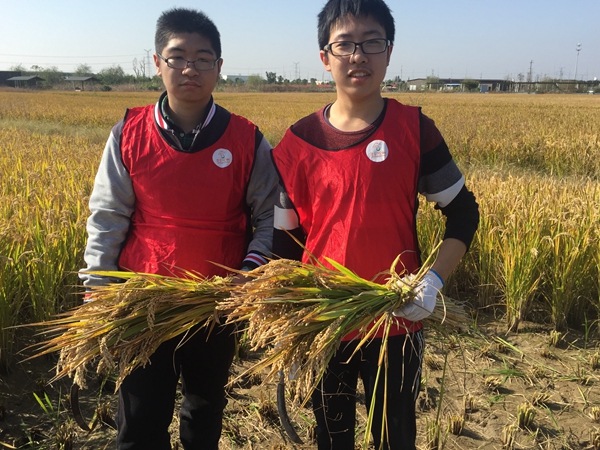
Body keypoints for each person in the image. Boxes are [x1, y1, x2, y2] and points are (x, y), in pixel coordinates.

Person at [270, 0, 479, 448]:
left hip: (396, 317)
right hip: (326, 316)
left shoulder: (413, 129)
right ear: (325, 57)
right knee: (331, 435)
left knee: (395, 435)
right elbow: (285, 242)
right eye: (344, 44)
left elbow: (463, 212)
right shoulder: (297, 143)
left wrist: (432, 283)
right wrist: (289, 314)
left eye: (371, 43)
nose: (358, 56)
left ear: (388, 51)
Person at [79, 7, 278, 450]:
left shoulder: (246, 139)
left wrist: (249, 271)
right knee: (139, 420)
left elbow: (269, 215)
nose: (191, 69)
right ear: (157, 63)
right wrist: (97, 289)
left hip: (215, 302)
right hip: (142, 300)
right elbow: (108, 216)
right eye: (178, 57)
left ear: (219, 68)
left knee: (204, 414)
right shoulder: (129, 133)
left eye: (204, 58)